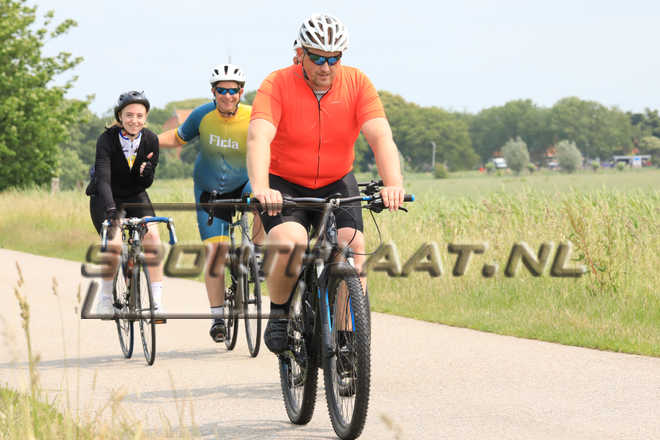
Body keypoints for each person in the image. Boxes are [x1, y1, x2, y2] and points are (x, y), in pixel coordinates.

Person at [247, 13, 406, 354]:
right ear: (300, 54)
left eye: (334, 58)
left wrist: (392, 183)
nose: (326, 66)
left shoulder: (357, 83)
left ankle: (347, 344)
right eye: (318, 57)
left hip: (337, 180)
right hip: (284, 183)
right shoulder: (277, 84)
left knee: (352, 249)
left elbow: (380, 136)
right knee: (289, 243)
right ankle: (280, 312)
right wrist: (261, 187)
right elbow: (259, 137)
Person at [159, 63, 265, 343]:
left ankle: (257, 252)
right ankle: (218, 318)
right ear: (213, 92)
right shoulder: (201, 115)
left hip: (244, 183)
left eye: (233, 90)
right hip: (210, 191)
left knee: (263, 200)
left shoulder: (254, 115)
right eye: (222, 90)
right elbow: (177, 137)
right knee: (215, 254)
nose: (227, 96)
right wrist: (146, 142)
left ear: (241, 92)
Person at [88, 91, 164, 316]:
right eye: (129, 115)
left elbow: (146, 183)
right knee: (113, 243)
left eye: (140, 116)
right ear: (120, 116)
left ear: (146, 117)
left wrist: (146, 173)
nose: (134, 120)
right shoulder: (106, 139)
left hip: (135, 195)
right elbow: (103, 179)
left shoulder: (151, 140)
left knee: (153, 238)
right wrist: (111, 210)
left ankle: (157, 303)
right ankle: (105, 299)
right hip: (106, 196)